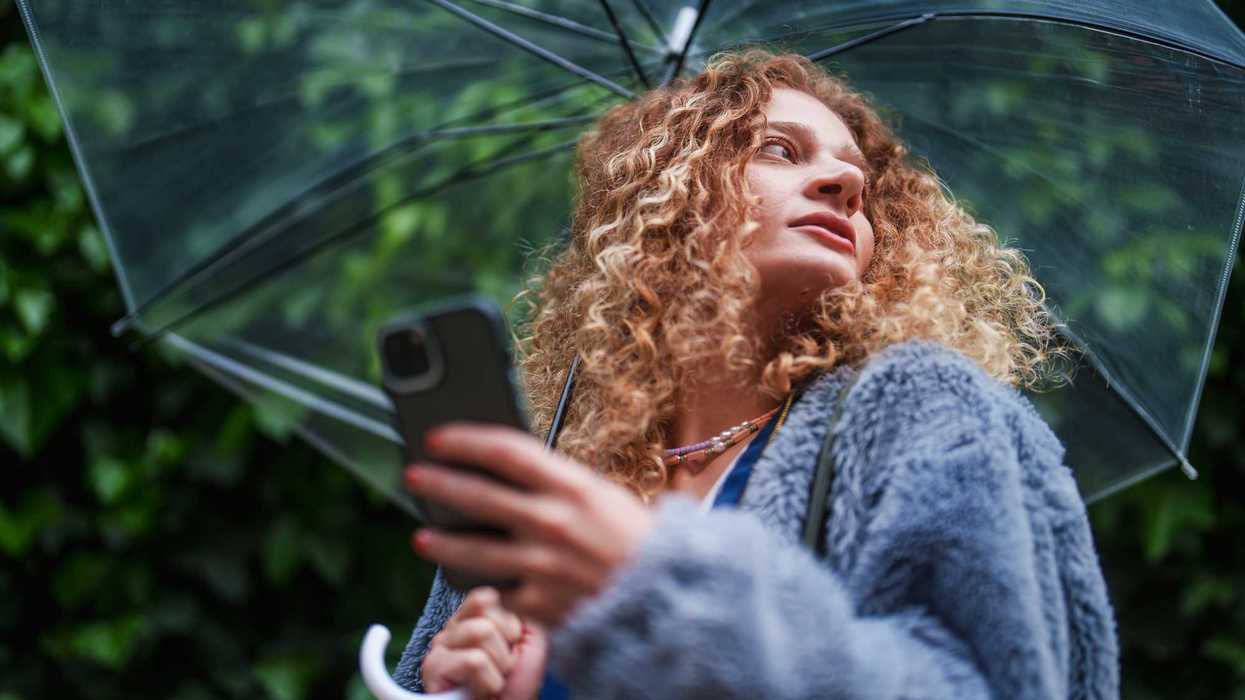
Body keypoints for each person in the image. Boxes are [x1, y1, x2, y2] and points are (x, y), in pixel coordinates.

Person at [391, 50, 1119, 699]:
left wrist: (660, 587)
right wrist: (454, 690)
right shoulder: (566, 473)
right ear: (669, 199)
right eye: (780, 151)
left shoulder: (924, 409)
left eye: (859, 184)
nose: (841, 182)